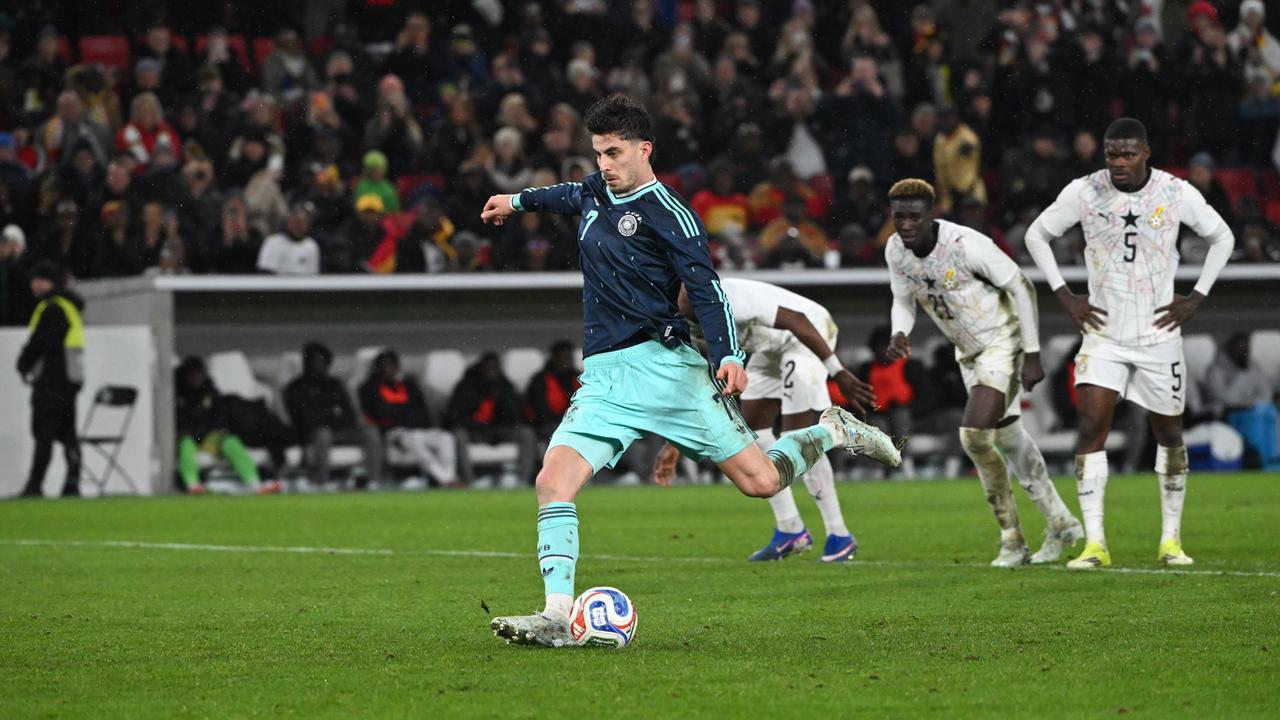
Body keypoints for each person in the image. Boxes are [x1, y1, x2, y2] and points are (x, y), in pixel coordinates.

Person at [479, 94, 901, 647]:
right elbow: (563, 194)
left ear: (644, 149)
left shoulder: (671, 214)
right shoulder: (594, 190)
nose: (603, 164)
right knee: (551, 482)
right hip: (606, 377)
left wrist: (728, 354)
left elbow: (707, 290)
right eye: (598, 153)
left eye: (613, 152)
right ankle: (557, 615)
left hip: (669, 370)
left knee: (761, 482)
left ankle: (831, 430)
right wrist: (515, 201)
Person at [1024, 118, 1234, 569]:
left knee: (1169, 434)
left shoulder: (1175, 193)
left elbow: (1222, 237)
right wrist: (1065, 295)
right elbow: (1036, 234)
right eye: (1111, 154)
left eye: (1127, 154)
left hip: (1159, 335)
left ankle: (1171, 541)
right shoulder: (1084, 191)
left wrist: (1196, 298)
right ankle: (1095, 544)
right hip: (1104, 335)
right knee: (1090, 428)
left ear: (1146, 153)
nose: (1118, 162)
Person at [885, 179, 1082, 566]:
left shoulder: (964, 245)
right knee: (1010, 438)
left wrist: (1032, 353)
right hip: (968, 353)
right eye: (899, 217)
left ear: (931, 214)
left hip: (1002, 342)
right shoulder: (895, 250)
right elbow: (903, 301)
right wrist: (899, 331)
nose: (906, 225)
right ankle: (1061, 521)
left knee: (974, 436)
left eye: (914, 217)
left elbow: (1022, 286)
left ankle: (1012, 539)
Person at [655, 278, 879, 563]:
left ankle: (839, 534)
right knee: (752, 434)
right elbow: (699, 381)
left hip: (806, 335)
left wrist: (838, 372)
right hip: (770, 349)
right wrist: (675, 443)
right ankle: (790, 529)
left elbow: (796, 320)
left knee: (797, 437)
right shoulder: (680, 322)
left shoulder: (728, 297)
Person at [15, 262, 84, 498]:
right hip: (70, 381)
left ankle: (35, 484)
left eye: (37, 280)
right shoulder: (68, 306)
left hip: (51, 381)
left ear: (46, 282)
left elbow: (40, 343)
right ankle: (72, 484)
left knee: (43, 434)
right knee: (68, 434)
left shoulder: (52, 309)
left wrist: (23, 363)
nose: (33, 285)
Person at [174, 356, 280, 495]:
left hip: (210, 440)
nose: (196, 377)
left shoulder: (211, 393)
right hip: (190, 439)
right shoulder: (177, 396)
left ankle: (254, 484)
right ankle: (192, 485)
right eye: (192, 374)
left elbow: (220, 418)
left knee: (231, 442)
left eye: (198, 373)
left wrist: (219, 432)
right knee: (185, 443)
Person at [283, 342, 382, 487]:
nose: (318, 365)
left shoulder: (335, 384)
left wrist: (329, 415)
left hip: (341, 430)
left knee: (370, 431)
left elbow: (348, 413)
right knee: (323, 433)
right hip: (312, 433)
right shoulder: (295, 388)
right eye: (314, 361)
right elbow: (304, 418)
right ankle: (321, 482)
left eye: (322, 361)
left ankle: (374, 481)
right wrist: (331, 412)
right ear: (306, 362)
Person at [358, 349, 462, 487]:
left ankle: (450, 475)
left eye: (392, 365)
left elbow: (421, 411)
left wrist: (399, 413)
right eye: (384, 365)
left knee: (446, 438)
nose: (388, 369)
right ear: (378, 368)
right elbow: (380, 413)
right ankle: (444, 479)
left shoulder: (409, 385)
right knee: (415, 439)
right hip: (395, 433)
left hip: (419, 429)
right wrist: (404, 413)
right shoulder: (370, 388)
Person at [446, 352, 537, 488]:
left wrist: (502, 398)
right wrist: (478, 423)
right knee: (458, 434)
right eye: (489, 368)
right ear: (481, 369)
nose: (492, 372)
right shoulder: (466, 387)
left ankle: (523, 481)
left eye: (495, 368)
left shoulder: (506, 386)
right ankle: (469, 482)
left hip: (499, 430)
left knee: (526, 433)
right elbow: (455, 416)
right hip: (474, 431)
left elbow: (515, 416)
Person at [525, 340, 582, 442]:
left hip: (576, 423)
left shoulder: (580, 378)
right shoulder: (541, 380)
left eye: (569, 357)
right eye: (563, 357)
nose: (567, 361)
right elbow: (541, 411)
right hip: (547, 424)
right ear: (555, 358)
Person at [257, 201, 320, 275]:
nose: (298, 225)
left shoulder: (312, 246)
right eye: (295, 221)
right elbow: (265, 272)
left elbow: (313, 275)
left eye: (302, 222)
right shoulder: (273, 242)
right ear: (288, 221)